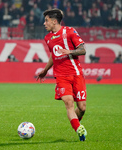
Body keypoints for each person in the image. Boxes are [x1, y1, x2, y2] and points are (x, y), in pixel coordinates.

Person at [36, 9, 87, 141]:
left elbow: (83, 50)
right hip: (61, 76)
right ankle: (79, 129)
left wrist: (69, 51)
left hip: (76, 74)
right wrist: (46, 70)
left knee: (82, 107)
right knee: (68, 102)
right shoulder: (47, 38)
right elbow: (54, 55)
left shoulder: (70, 31)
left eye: (46, 20)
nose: (44, 23)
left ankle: (76, 121)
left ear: (54, 21)